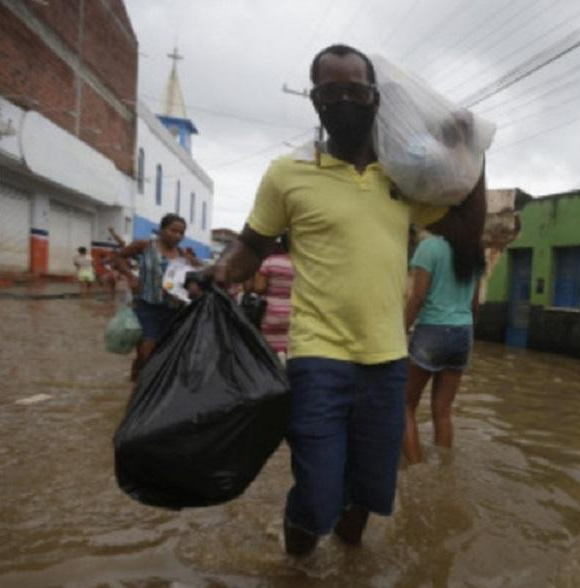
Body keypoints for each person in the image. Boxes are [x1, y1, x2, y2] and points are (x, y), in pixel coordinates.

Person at [201, 44, 484, 557]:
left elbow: (466, 230)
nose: (344, 101)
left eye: (355, 91)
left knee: (368, 496)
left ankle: (347, 567)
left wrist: (473, 156)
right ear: (315, 101)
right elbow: (251, 247)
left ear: (376, 98)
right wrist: (222, 270)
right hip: (316, 358)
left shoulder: (402, 176)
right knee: (316, 494)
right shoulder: (288, 174)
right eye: (331, 93)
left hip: (387, 362)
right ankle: (297, 569)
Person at [401, 216, 484, 463]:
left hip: (432, 331)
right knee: (443, 410)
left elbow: (417, 297)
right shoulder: (474, 252)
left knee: (404, 405)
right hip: (463, 333)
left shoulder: (429, 248)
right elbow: (474, 305)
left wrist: (400, 330)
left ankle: (417, 471)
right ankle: (444, 473)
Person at [115, 214, 200, 380]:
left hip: (173, 310)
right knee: (147, 351)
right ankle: (137, 381)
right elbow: (118, 257)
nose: (177, 235)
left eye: (181, 233)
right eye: (173, 230)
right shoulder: (145, 245)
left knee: (166, 352)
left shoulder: (182, 255)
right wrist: (130, 276)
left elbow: (196, 272)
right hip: (147, 306)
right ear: (162, 230)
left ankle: (144, 381)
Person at [252, 233, 294, 361]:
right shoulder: (303, 265)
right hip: (294, 314)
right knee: (291, 350)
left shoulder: (270, 262)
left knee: (270, 357)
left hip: (271, 314)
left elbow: (259, 288)